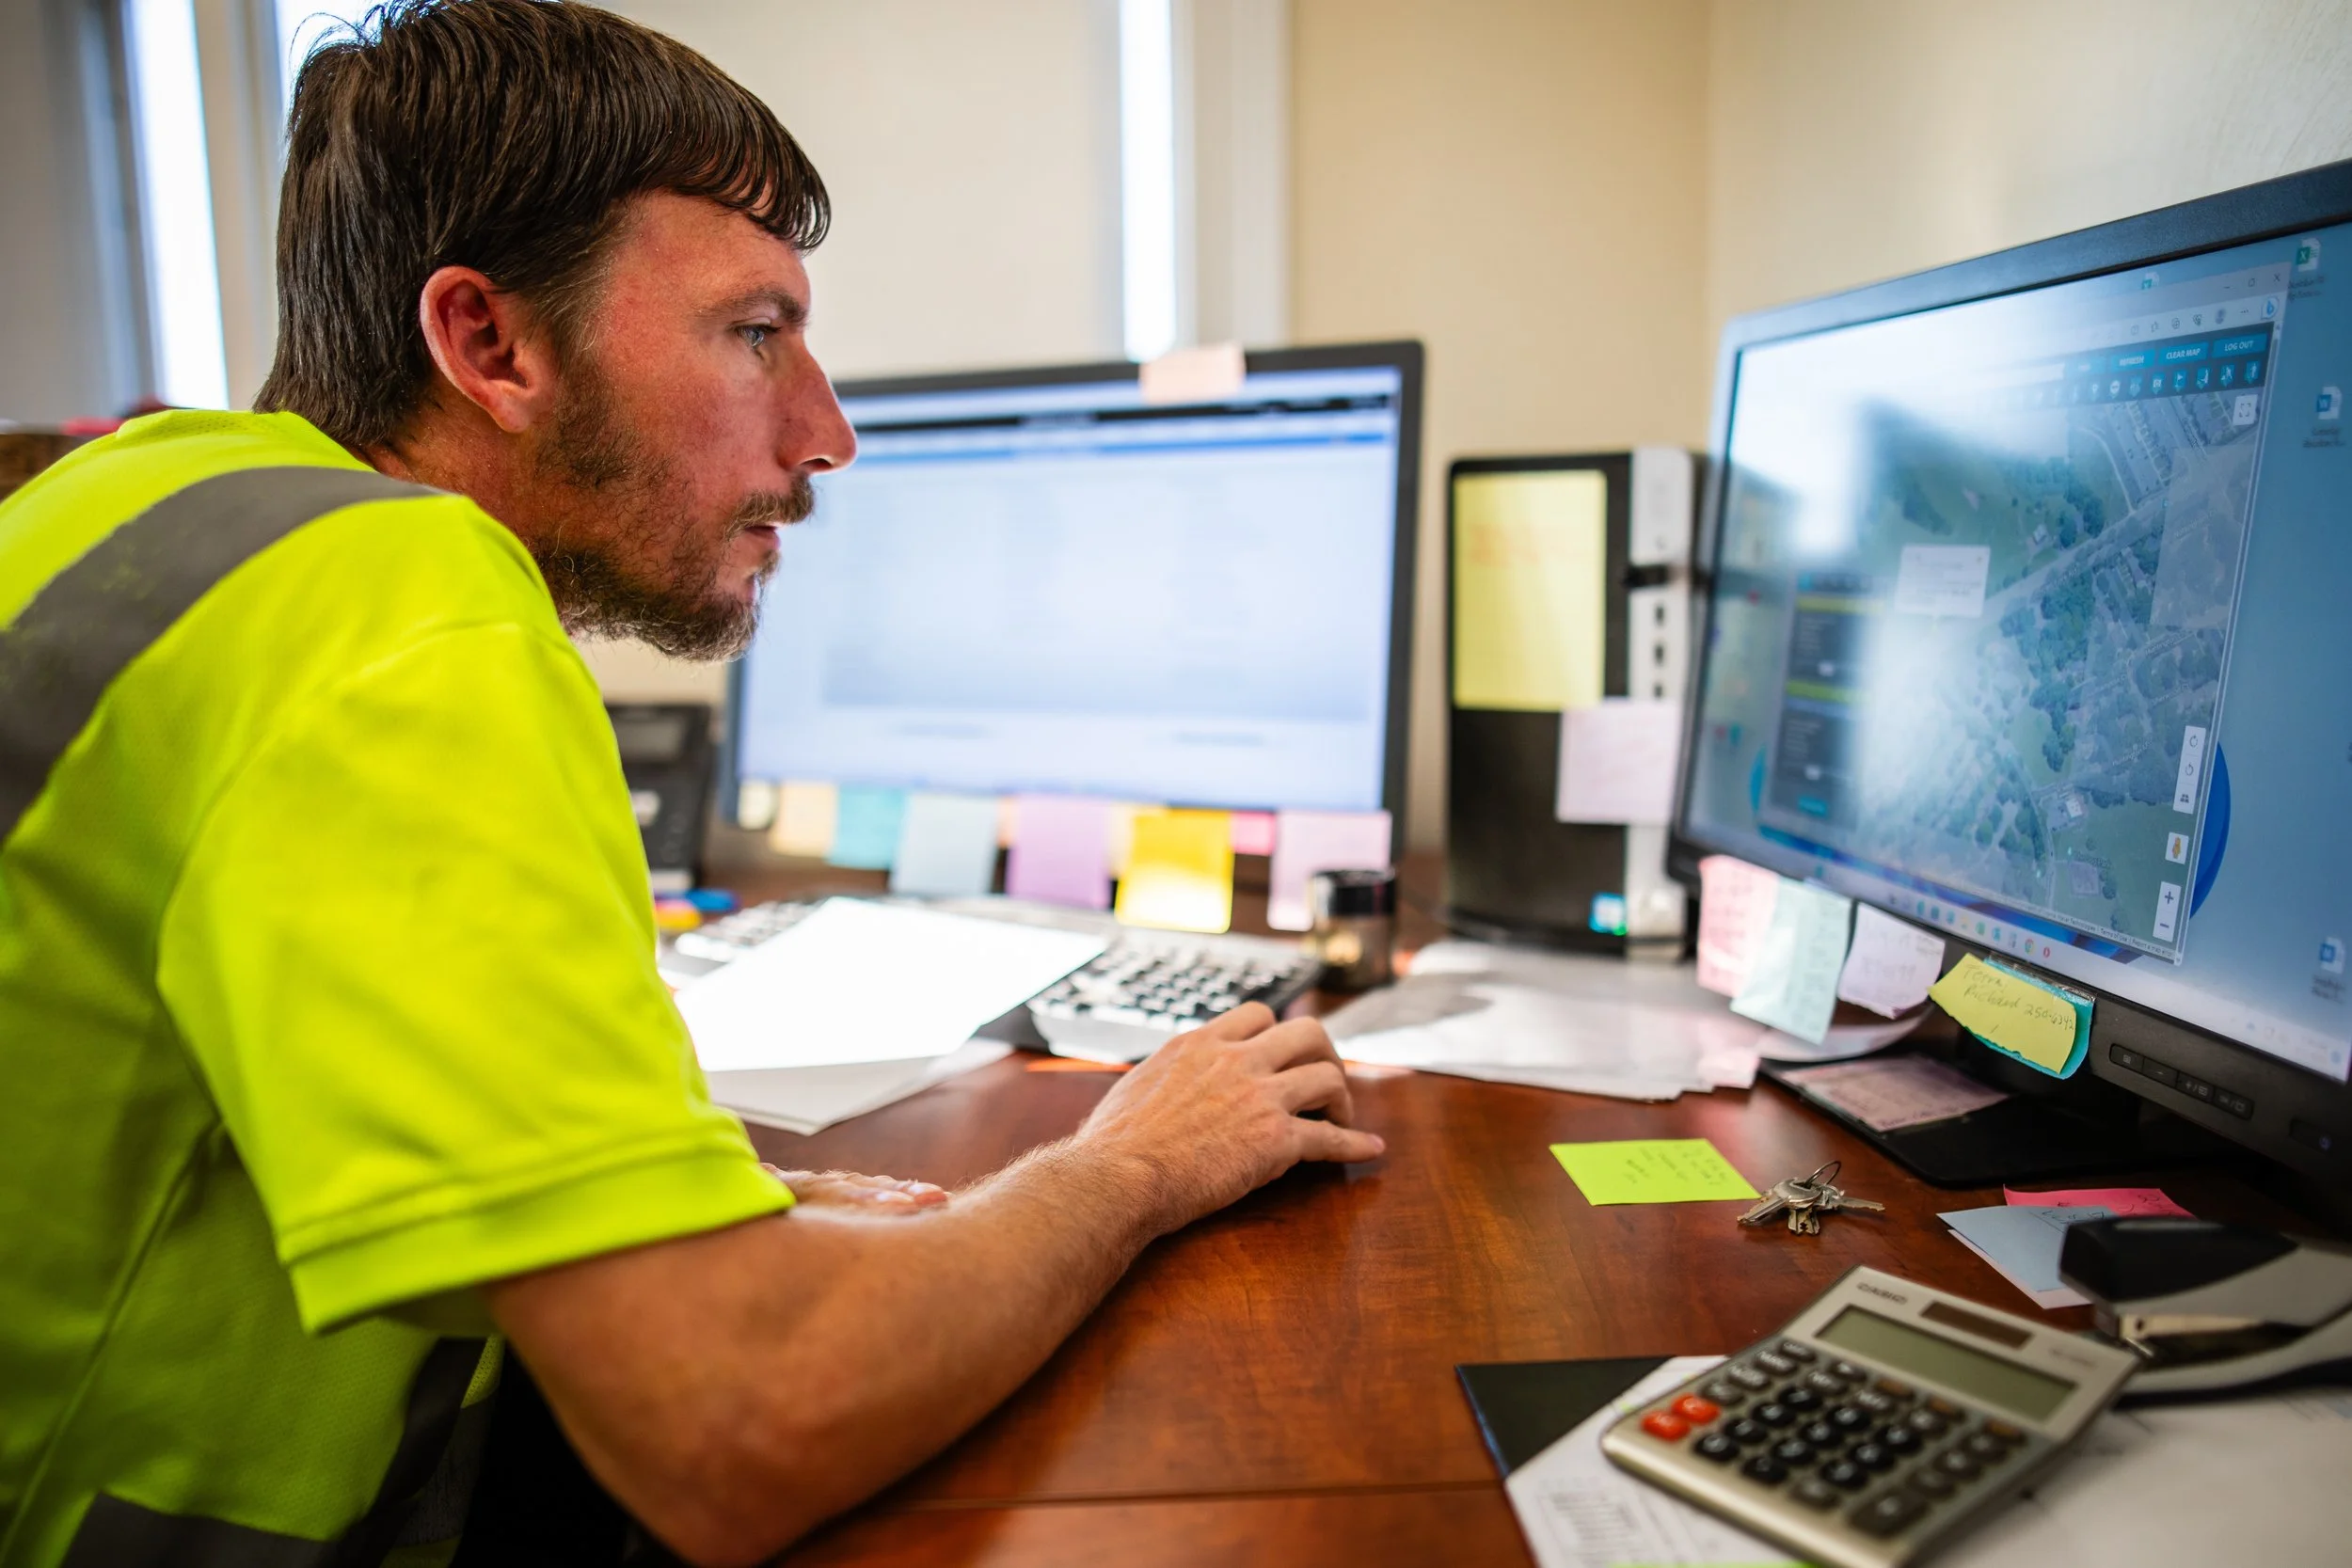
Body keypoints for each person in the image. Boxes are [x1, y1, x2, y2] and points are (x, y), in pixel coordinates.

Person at [0, 3, 1384, 1564]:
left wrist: (705, 1197)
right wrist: (1129, 1164)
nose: (829, 432)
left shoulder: (131, 499)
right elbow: (743, 1418)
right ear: (490, 344)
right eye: (753, 334)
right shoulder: (401, 616)